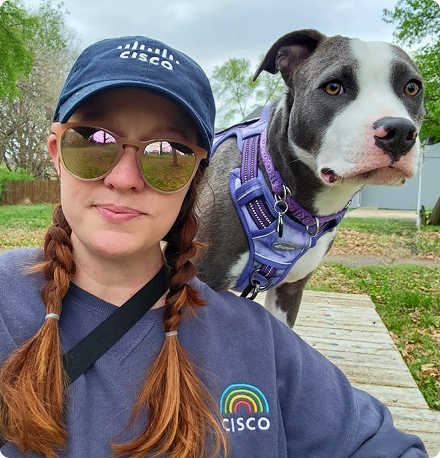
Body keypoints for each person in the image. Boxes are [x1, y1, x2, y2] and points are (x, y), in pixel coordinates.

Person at [0, 36, 428, 458]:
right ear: (55, 151)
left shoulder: (260, 342)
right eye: (94, 142)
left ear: (198, 174)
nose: (124, 178)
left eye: (167, 153)